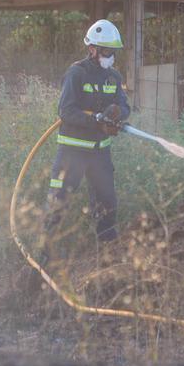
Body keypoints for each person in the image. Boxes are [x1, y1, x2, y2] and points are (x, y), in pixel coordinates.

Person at [44, 19, 131, 248]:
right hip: (72, 154)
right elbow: (66, 111)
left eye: (113, 51)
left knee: (107, 206)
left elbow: (125, 107)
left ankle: (107, 256)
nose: (110, 55)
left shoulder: (114, 77)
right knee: (57, 206)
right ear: (92, 49)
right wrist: (96, 121)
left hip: (100, 156)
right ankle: (46, 257)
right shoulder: (76, 73)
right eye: (106, 50)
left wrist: (117, 115)